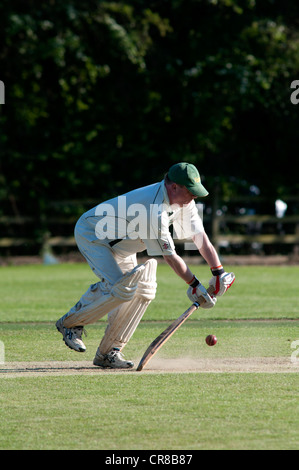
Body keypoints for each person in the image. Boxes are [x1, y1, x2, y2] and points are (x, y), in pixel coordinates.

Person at [56, 162, 235, 368]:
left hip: (123, 245)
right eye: (191, 192)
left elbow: (199, 237)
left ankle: (109, 353)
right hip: (94, 235)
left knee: (144, 291)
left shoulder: (184, 202)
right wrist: (195, 285)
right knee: (121, 290)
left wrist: (218, 271)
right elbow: (169, 256)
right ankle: (70, 324)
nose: (194, 197)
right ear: (174, 187)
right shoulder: (153, 208)